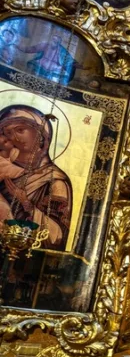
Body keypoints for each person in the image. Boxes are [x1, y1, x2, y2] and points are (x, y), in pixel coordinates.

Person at [0, 105, 73, 250]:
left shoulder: (54, 180)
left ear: (41, 134)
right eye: (8, 132)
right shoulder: (4, 168)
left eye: (20, 130)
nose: (14, 137)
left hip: (27, 254)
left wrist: (26, 203)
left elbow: (57, 237)